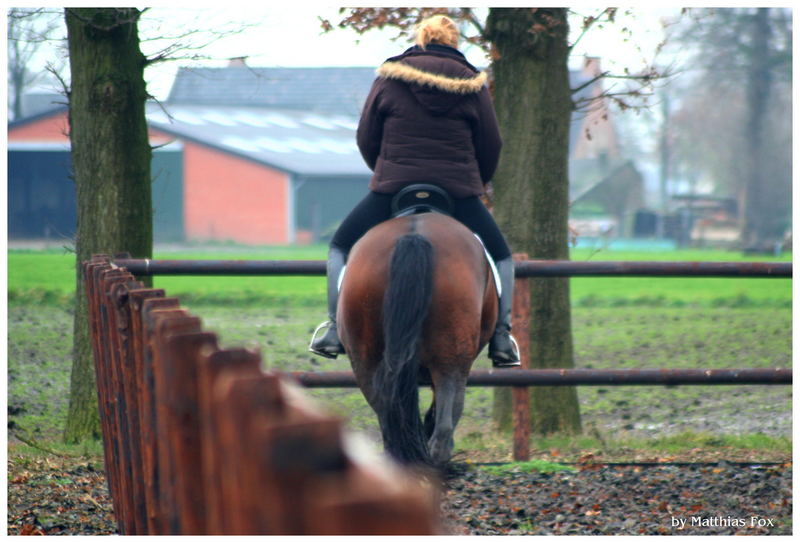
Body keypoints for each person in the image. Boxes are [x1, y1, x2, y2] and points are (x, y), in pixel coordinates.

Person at [309, 14, 520, 367]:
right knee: (502, 256)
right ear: (454, 42)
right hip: (457, 192)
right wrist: (475, 183)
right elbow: (491, 143)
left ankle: (333, 328)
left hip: (394, 187)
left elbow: (366, 136)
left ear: (421, 38)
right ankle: (501, 336)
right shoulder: (473, 83)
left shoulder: (389, 77)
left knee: (340, 246)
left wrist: (384, 171)